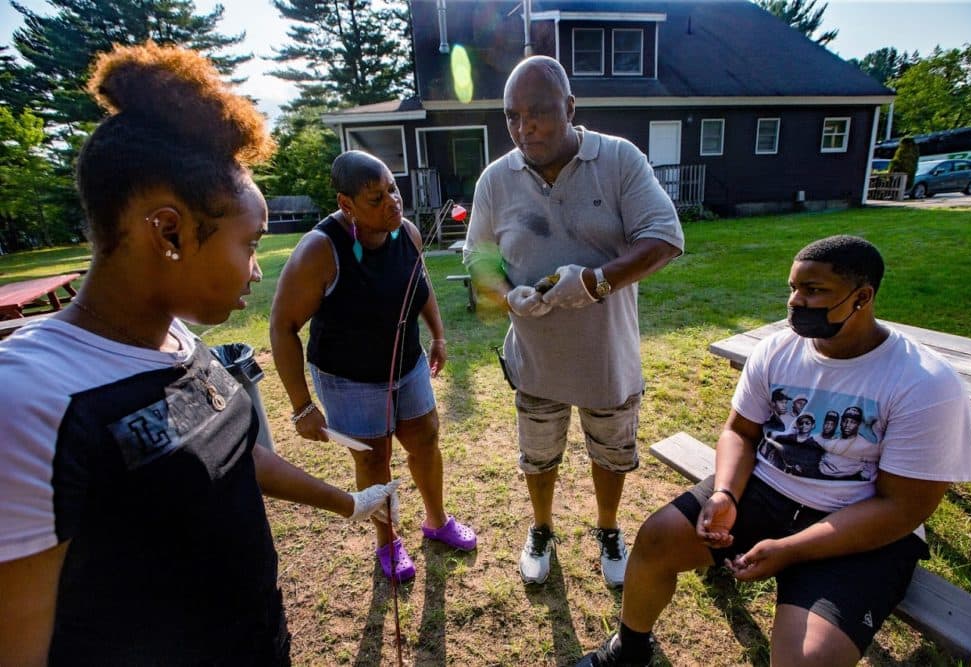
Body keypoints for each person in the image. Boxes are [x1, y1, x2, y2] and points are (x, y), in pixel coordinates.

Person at [0, 43, 401, 666]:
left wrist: (350, 503)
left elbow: (234, 454)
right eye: (250, 245)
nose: (254, 273)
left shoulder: (180, 343)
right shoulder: (31, 405)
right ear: (169, 231)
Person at [579, 235, 971, 666]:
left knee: (807, 659)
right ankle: (630, 650)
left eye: (813, 291)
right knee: (657, 538)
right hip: (765, 489)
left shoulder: (925, 382)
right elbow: (740, 432)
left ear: (862, 297)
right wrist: (725, 494)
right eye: (793, 288)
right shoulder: (777, 349)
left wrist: (792, 549)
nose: (796, 302)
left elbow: (903, 509)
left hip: (859, 524)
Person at [463, 55, 684, 588]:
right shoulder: (496, 178)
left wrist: (593, 282)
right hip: (536, 361)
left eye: (538, 112)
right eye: (512, 115)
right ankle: (541, 530)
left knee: (610, 454)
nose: (525, 127)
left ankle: (608, 530)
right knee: (538, 456)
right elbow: (478, 258)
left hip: (606, 357)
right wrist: (507, 296)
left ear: (570, 107)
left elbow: (666, 239)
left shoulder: (619, 160)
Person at [270, 150, 476, 583]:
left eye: (393, 190)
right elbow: (282, 327)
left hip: (408, 365)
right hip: (349, 378)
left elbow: (421, 289)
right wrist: (302, 406)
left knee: (425, 438)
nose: (392, 203)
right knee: (374, 458)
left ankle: (436, 522)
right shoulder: (320, 251)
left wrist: (437, 335)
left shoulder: (408, 234)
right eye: (376, 198)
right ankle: (387, 543)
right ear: (347, 205)